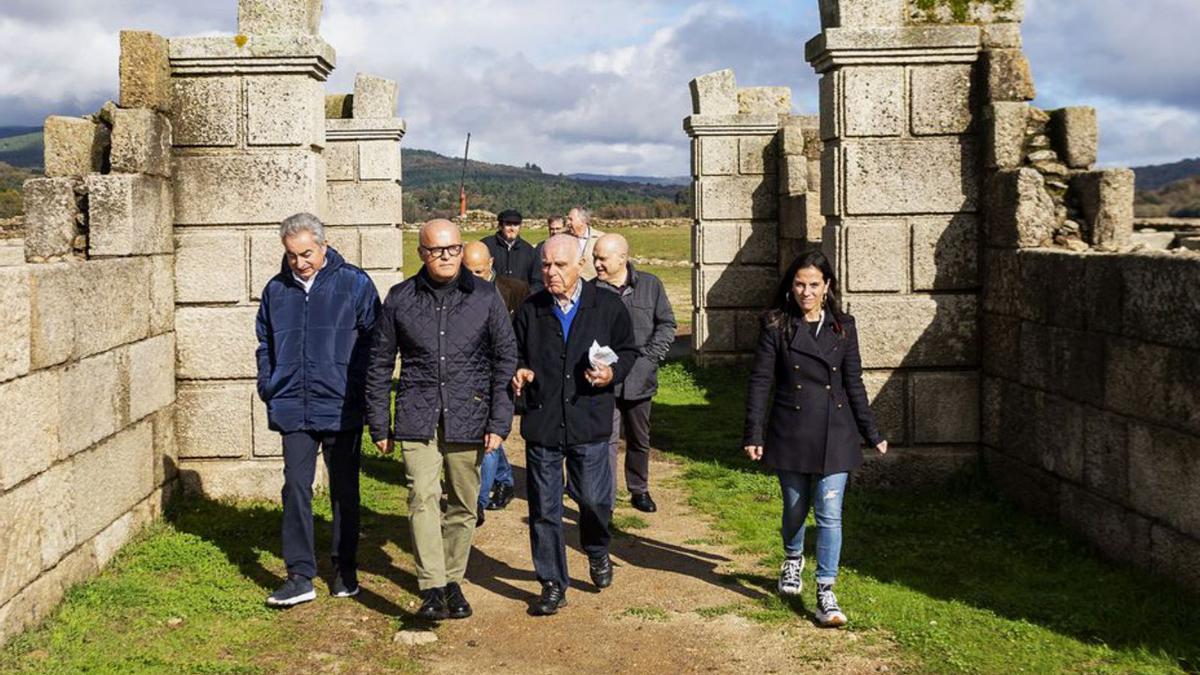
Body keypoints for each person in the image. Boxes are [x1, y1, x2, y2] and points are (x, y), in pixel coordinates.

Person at [366, 219, 518, 621]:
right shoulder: (400, 299)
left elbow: (506, 359)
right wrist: (379, 422)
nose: (446, 257)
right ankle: (432, 586)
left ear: (461, 249)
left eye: (452, 249)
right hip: (418, 414)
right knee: (422, 497)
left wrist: (499, 423)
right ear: (421, 254)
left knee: (466, 503)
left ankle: (453, 579)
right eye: (436, 250)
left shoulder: (486, 297)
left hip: (469, 413)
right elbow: (380, 363)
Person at [741, 249, 888, 628]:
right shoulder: (776, 324)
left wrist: (871, 432)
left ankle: (826, 590)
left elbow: (852, 381)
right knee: (794, 507)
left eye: (813, 285)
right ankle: (792, 558)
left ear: (827, 288)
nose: (806, 292)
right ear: (791, 288)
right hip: (790, 430)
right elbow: (760, 382)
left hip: (837, 434)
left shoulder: (843, 326)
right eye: (799, 284)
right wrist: (754, 432)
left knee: (829, 515)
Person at [255, 212, 380, 607]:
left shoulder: (354, 284)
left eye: (306, 253)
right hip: (293, 404)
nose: (299, 262)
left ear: (324, 246)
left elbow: (375, 343)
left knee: (345, 490)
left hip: (341, 404)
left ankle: (344, 569)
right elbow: (265, 342)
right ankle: (299, 575)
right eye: (292, 255)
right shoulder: (276, 290)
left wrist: (358, 388)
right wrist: (269, 384)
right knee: (295, 488)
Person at [511, 234, 638, 615]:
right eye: (545, 265)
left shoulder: (608, 306)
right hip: (544, 423)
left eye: (559, 265)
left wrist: (612, 373)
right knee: (545, 510)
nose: (550, 272)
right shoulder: (530, 309)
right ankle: (551, 582)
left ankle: (597, 549)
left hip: (590, 421)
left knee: (595, 501)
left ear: (579, 265)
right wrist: (520, 370)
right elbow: (514, 353)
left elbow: (629, 351)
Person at [593, 234, 676, 513]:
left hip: (640, 379)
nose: (597, 264)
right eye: (595, 257)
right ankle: (606, 498)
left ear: (622, 258)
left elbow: (666, 324)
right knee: (606, 439)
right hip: (606, 380)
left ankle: (639, 489)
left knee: (640, 439)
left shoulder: (651, 285)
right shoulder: (592, 291)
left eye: (602, 258)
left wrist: (651, 359)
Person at [462, 241, 529, 524]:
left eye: (479, 271)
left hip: (503, 370)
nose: (473, 277)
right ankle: (504, 479)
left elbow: (527, 330)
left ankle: (477, 500)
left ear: (490, 265)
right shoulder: (457, 290)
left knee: (486, 437)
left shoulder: (515, 290)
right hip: (469, 373)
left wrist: (521, 366)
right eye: (468, 271)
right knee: (486, 433)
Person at [481, 209, 539, 288]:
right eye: (508, 224)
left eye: (515, 224)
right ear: (500, 226)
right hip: (491, 298)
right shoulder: (485, 246)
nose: (512, 228)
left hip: (520, 298)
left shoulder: (529, 251)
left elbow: (537, 281)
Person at [530, 216, 567, 293]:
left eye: (558, 229)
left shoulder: (570, 247)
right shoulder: (541, 248)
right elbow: (536, 275)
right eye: (552, 229)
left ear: (564, 228)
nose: (554, 232)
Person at [566, 206, 604, 280]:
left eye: (571, 219)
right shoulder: (562, 239)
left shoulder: (601, 239)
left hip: (595, 287)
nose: (567, 222)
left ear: (582, 221)